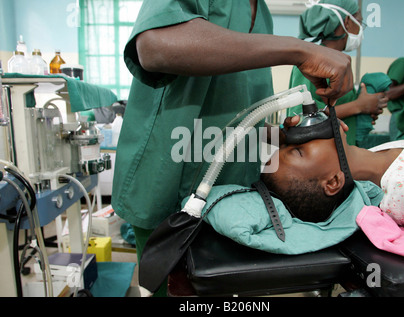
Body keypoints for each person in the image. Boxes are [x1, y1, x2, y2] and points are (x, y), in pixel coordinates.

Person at [111, 0, 354, 285]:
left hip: (229, 199)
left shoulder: (259, 11)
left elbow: (235, 119)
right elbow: (154, 46)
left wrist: (283, 137)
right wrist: (299, 50)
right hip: (169, 186)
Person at [261, 119, 404, 241]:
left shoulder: (378, 155)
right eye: (297, 150)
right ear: (333, 181)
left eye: (285, 142)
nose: (297, 138)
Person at [286, 0, 387, 146]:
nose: (360, 29)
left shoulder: (339, 62)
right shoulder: (312, 61)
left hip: (342, 147)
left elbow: (333, 107)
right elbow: (298, 116)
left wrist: (366, 108)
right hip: (321, 152)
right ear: (347, 22)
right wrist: (359, 106)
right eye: (359, 22)